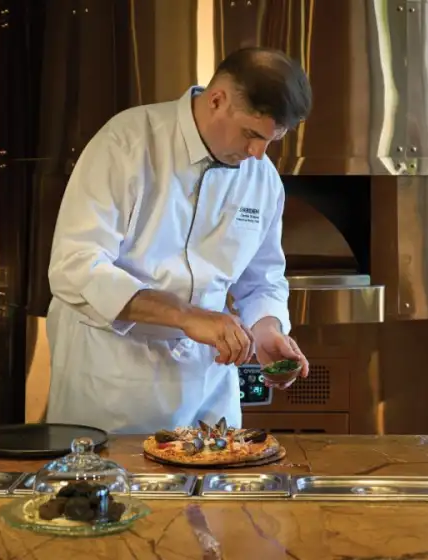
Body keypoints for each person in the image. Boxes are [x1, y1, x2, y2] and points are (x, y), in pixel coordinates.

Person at [45, 47, 313, 434]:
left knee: (215, 475)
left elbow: (262, 280)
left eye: (271, 140)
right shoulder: (126, 143)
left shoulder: (262, 177)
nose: (258, 154)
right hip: (113, 385)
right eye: (251, 134)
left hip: (207, 391)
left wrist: (267, 329)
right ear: (217, 100)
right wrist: (186, 316)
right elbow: (75, 267)